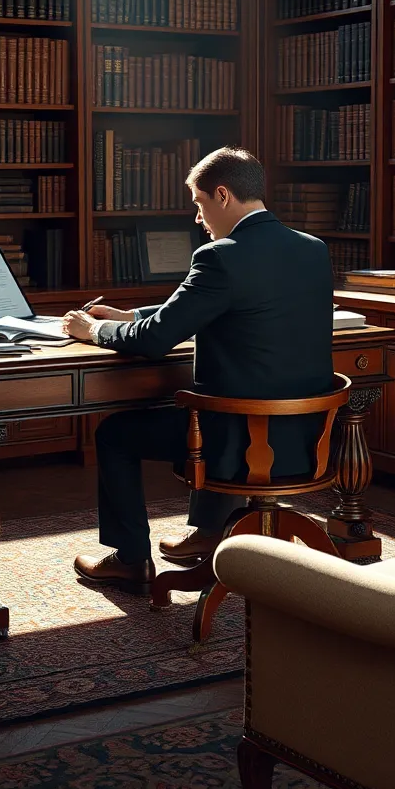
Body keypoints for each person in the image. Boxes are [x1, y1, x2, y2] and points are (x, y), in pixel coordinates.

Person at [63, 146, 334, 595]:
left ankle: (130, 560)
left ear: (222, 195)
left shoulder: (220, 256)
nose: (197, 218)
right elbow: (233, 304)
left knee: (114, 433)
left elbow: (155, 342)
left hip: (241, 445)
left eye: (199, 204)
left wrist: (93, 330)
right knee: (220, 402)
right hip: (307, 439)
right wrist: (130, 316)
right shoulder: (312, 249)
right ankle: (210, 532)